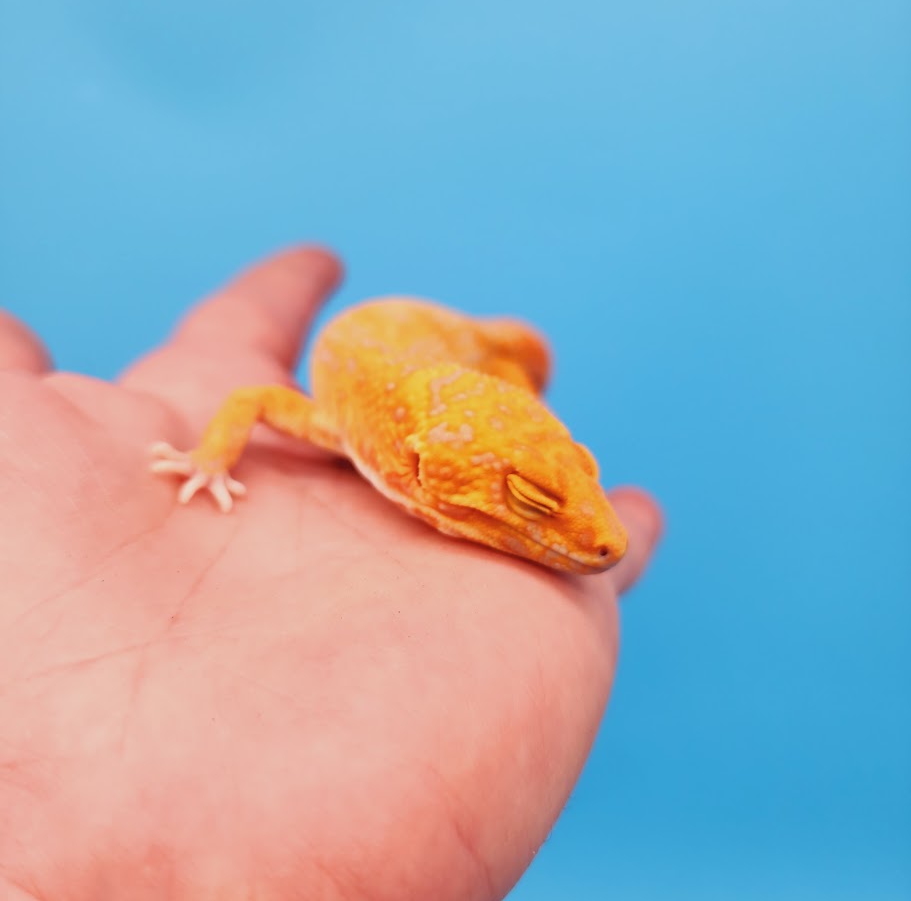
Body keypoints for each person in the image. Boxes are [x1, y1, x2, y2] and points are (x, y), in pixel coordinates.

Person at [0, 247, 662, 899]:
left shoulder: (459, 410)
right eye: (531, 502)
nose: (605, 543)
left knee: (522, 348)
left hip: (446, 352)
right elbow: (255, 398)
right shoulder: (350, 421)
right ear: (419, 465)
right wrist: (211, 459)